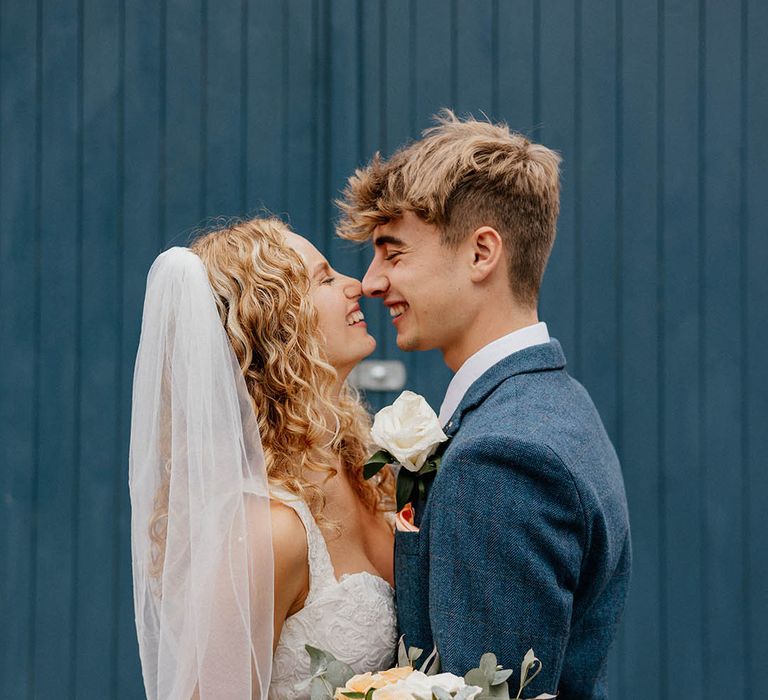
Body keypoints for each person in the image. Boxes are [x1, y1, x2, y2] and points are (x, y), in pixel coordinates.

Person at [337, 111, 631, 698]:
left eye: (393, 254)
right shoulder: (555, 401)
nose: (369, 283)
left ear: (481, 254)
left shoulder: (502, 454)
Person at [129, 217, 397, 700]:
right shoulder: (266, 531)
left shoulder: (363, 461)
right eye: (325, 278)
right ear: (279, 327)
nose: (355, 285)